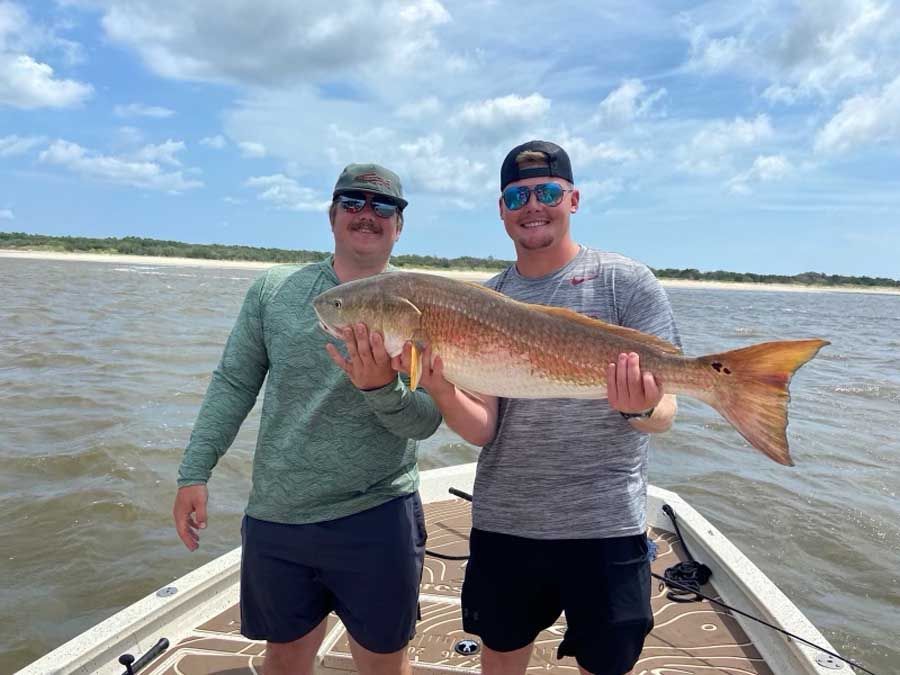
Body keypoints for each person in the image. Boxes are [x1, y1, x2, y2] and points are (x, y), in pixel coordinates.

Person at [399, 141, 681, 675]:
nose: (533, 204)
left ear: (573, 199)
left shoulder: (626, 282)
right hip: (508, 521)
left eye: (548, 191)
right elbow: (483, 429)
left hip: (606, 523)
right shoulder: (482, 299)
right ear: (502, 209)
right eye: (518, 195)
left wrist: (638, 409)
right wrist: (438, 386)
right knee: (501, 655)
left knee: (607, 663)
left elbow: (665, 411)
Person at [173, 163, 442, 675]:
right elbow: (233, 383)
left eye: (382, 206)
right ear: (332, 215)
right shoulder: (274, 290)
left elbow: (426, 421)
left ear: (400, 224)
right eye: (353, 202)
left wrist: (381, 389)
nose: (367, 215)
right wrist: (195, 470)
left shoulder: (423, 304)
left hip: (378, 512)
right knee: (285, 657)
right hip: (280, 514)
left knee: (385, 663)